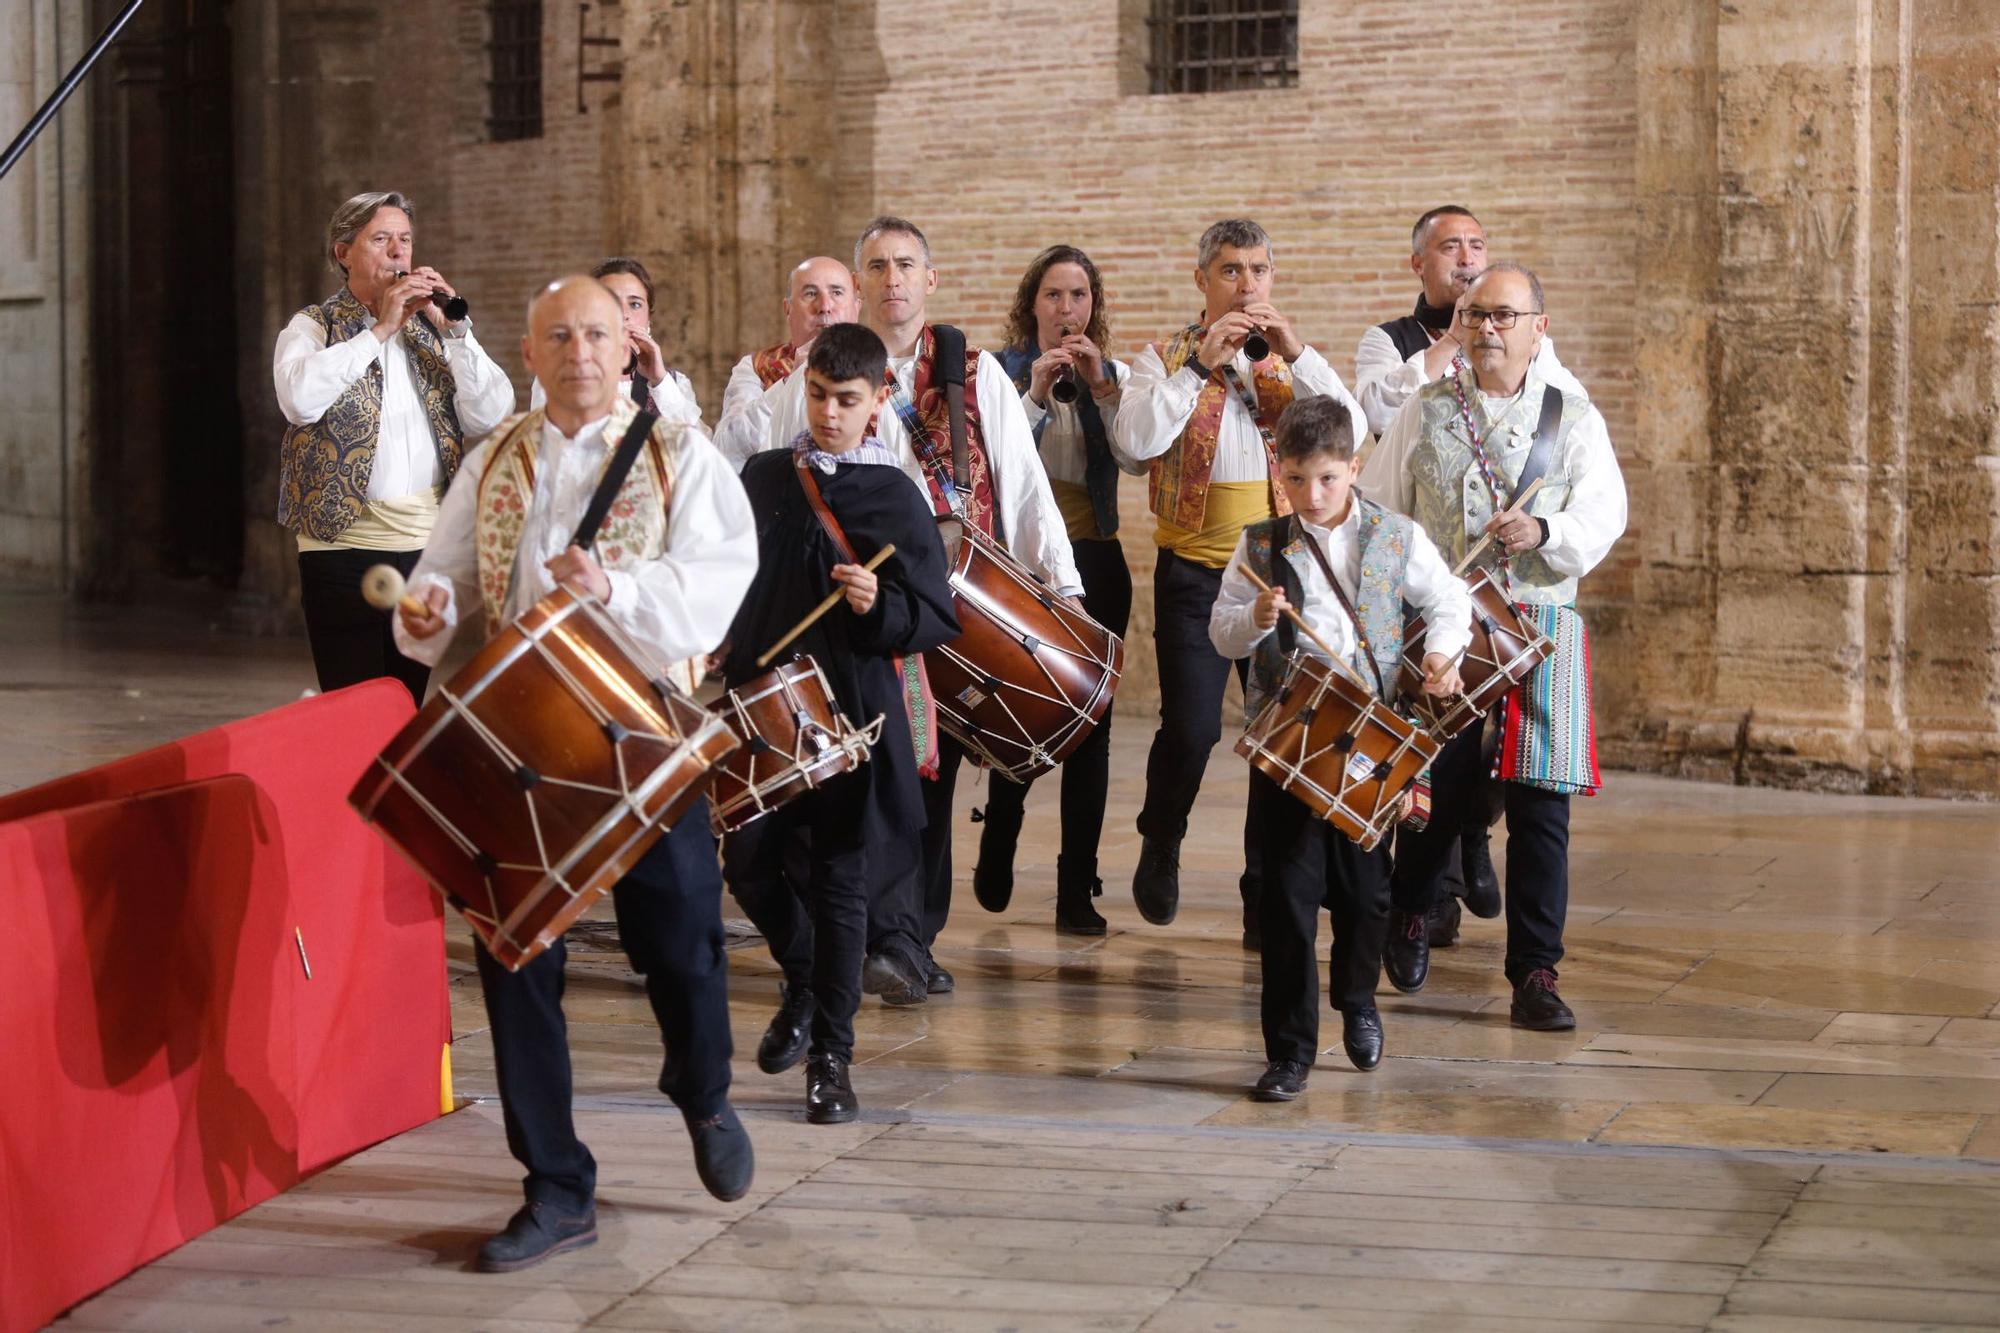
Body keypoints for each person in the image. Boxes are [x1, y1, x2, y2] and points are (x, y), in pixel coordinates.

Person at [393, 275, 758, 1270]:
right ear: (528, 349)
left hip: (638, 730)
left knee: (680, 937)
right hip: (522, 745)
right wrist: (422, 614)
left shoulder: (679, 453)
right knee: (515, 958)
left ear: (628, 339)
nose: (580, 351)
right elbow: (448, 573)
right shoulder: (492, 459)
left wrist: (619, 587)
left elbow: (723, 578)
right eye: (560, 334)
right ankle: (555, 1184)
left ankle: (702, 1089)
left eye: (597, 332)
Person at [763, 216, 1085, 1005]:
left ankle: (908, 936)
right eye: (876, 265)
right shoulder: (817, 370)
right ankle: (872, 934)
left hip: (941, 599)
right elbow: (765, 457)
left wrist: (1063, 588)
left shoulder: (972, 373)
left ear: (929, 280)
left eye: (906, 263)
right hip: (840, 600)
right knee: (852, 765)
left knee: (928, 775)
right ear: (860, 281)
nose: (892, 278)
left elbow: (1024, 483)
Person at [1361, 262, 1627, 1029]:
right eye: (1476, 315)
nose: (1487, 329)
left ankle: (1536, 972)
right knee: (1434, 788)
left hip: (1544, 621)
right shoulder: (1425, 407)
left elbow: (1606, 512)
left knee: (1544, 806)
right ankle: (1411, 909)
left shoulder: (1573, 417)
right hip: (1451, 620)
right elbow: (1380, 506)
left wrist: (1547, 530)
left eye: (1504, 316)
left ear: (1539, 327)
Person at [721, 322, 960, 1122]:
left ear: (878, 400)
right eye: (818, 395)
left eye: (846, 400)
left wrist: (878, 603)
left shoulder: (895, 494)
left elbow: (933, 616)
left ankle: (832, 1056)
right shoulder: (762, 476)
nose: (828, 413)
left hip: (854, 712)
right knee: (746, 861)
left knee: (841, 879)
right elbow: (726, 572)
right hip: (766, 704)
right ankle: (806, 971)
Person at [1111, 218, 1365, 945]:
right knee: (1191, 728)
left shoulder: (1287, 365)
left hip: (1280, 572)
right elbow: (1135, 443)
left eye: (1258, 269)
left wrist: (1298, 352)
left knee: (1275, 735)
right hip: (1193, 570)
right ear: (1202, 281)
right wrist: (1197, 369)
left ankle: (1265, 893)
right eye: (1231, 270)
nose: (1247, 284)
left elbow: (1351, 432)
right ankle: (1162, 837)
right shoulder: (1161, 358)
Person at [1210, 395, 1471, 1098]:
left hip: (1368, 736)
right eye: (1295, 479)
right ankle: (1289, 1051)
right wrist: (1254, 618)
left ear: (1354, 467)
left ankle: (1357, 999)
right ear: (1280, 471)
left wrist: (1443, 655)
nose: (1311, 495)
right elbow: (1221, 631)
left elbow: (1450, 601)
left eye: (1327, 478)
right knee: (1286, 898)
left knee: (1365, 890)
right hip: (1290, 740)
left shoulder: (1395, 535)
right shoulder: (1260, 545)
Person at [273, 190, 514, 705]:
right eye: (381, 240)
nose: (398, 253)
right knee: (352, 710)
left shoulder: (435, 331)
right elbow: (299, 401)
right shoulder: (313, 327)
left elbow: (491, 413)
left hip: (425, 549)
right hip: (341, 549)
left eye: (404, 240)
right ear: (344, 253)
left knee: (405, 706)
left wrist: (458, 335)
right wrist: (379, 329)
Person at [971, 244, 1138, 934]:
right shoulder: (1000, 374)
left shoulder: (1114, 376)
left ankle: (1077, 887)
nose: (1067, 310)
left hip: (1095, 558)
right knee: (1021, 705)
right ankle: (1000, 832)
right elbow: (994, 464)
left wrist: (1103, 389)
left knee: (1091, 729)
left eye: (1079, 297)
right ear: (1030, 305)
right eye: (1053, 296)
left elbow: (1136, 456)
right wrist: (1035, 396)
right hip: (1026, 566)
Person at [714, 256, 861, 468]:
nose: (824, 306)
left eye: (837, 293)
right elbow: (727, 451)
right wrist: (790, 383)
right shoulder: (757, 367)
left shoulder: (880, 367)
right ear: (788, 309)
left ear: (856, 307)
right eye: (811, 294)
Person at [528, 257, 700, 422]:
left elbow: (697, 447)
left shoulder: (675, 384)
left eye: (635, 304)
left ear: (649, 318)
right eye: (611, 302)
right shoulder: (561, 378)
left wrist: (659, 381)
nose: (623, 315)